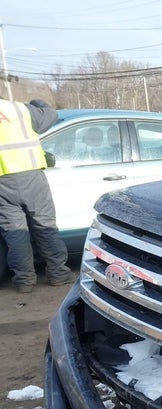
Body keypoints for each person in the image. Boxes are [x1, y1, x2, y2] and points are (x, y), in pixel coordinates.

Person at [0, 97, 75, 293]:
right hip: (30, 176)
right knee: (45, 226)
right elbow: (50, 116)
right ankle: (58, 273)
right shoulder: (19, 110)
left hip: (1, 182)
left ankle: (24, 281)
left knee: (14, 233)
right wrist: (38, 102)